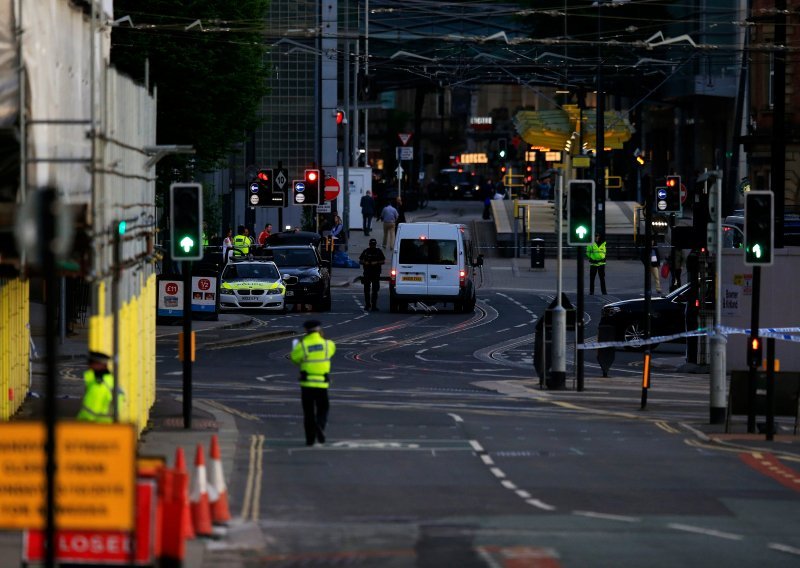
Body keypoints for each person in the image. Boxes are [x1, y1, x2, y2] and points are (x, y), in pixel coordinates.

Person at [290, 320, 337, 446]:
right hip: (322, 384)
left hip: (307, 384)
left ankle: (310, 439)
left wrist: (296, 348)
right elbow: (332, 351)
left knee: (308, 412)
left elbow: (294, 359)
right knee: (323, 408)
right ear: (319, 330)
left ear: (306, 330)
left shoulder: (303, 345)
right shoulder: (328, 344)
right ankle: (320, 425)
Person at [77, 352, 123, 423]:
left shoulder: (98, 385)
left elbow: (87, 415)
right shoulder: (111, 380)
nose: (89, 366)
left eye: (91, 363)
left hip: (98, 427)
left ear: (100, 365)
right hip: (110, 426)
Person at [359, 238, 386, 311]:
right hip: (367, 272)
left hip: (376, 273)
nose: (372, 246)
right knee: (366, 290)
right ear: (369, 244)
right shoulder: (366, 251)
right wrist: (365, 262)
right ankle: (367, 305)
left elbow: (383, 261)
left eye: (373, 245)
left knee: (375, 290)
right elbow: (360, 260)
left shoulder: (378, 251)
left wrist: (376, 262)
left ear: (375, 244)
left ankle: (374, 305)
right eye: (371, 245)